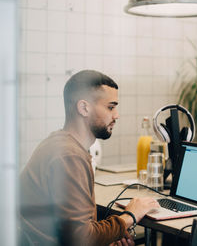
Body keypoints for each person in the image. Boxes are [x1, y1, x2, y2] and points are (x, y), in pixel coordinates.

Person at [20, 70, 159, 246]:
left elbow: (75, 232)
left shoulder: (59, 143)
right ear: (84, 108)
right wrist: (130, 216)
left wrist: (105, 239)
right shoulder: (69, 155)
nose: (116, 115)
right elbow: (81, 239)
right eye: (111, 107)